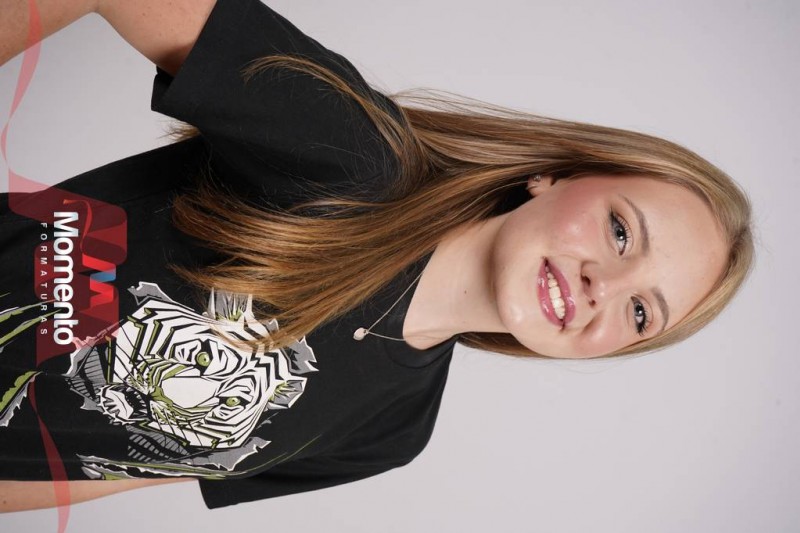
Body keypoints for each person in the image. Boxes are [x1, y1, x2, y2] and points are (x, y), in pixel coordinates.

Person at [0, 0, 753, 513]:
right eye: (621, 233)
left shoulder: (390, 434)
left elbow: (90, 469)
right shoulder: (359, 157)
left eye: (641, 312)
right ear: (555, 176)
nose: (603, 286)